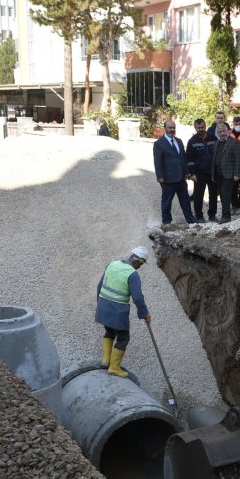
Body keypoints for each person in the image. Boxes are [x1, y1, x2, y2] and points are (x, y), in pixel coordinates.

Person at [95, 247, 151, 377]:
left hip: (103, 307)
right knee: (123, 338)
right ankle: (114, 367)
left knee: (109, 331)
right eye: (141, 264)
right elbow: (138, 298)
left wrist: (100, 305)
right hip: (117, 311)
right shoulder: (132, 274)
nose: (140, 267)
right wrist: (145, 314)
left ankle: (105, 361)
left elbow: (99, 286)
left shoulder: (112, 264)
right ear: (138, 261)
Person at [153, 119, 196, 225]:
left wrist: (187, 172)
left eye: (173, 128)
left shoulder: (179, 141)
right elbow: (157, 161)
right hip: (167, 179)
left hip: (181, 178)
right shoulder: (159, 144)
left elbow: (183, 158)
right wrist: (160, 177)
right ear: (165, 129)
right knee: (167, 202)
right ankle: (167, 222)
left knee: (185, 201)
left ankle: (190, 220)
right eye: (170, 128)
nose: (172, 130)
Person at [186, 118, 219, 222]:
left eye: (202, 127)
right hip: (199, 174)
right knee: (198, 196)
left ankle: (212, 215)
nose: (201, 129)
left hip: (212, 172)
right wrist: (192, 173)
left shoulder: (213, 138)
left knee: (213, 195)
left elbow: (218, 154)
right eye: (198, 127)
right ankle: (199, 216)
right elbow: (189, 159)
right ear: (195, 128)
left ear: (205, 126)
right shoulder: (192, 141)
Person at [211, 122, 240, 223]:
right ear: (217, 133)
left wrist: (237, 174)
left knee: (225, 194)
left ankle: (226, 216)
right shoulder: (216, 143)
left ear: (228, 131)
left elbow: (238, 159)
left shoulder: (234, 142)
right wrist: (213, 174)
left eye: (224, 131)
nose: (222, 133)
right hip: (218, 173)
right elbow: (214, 159)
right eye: (220, 132)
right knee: (222, 195)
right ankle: (225, 214)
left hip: (229, 173)